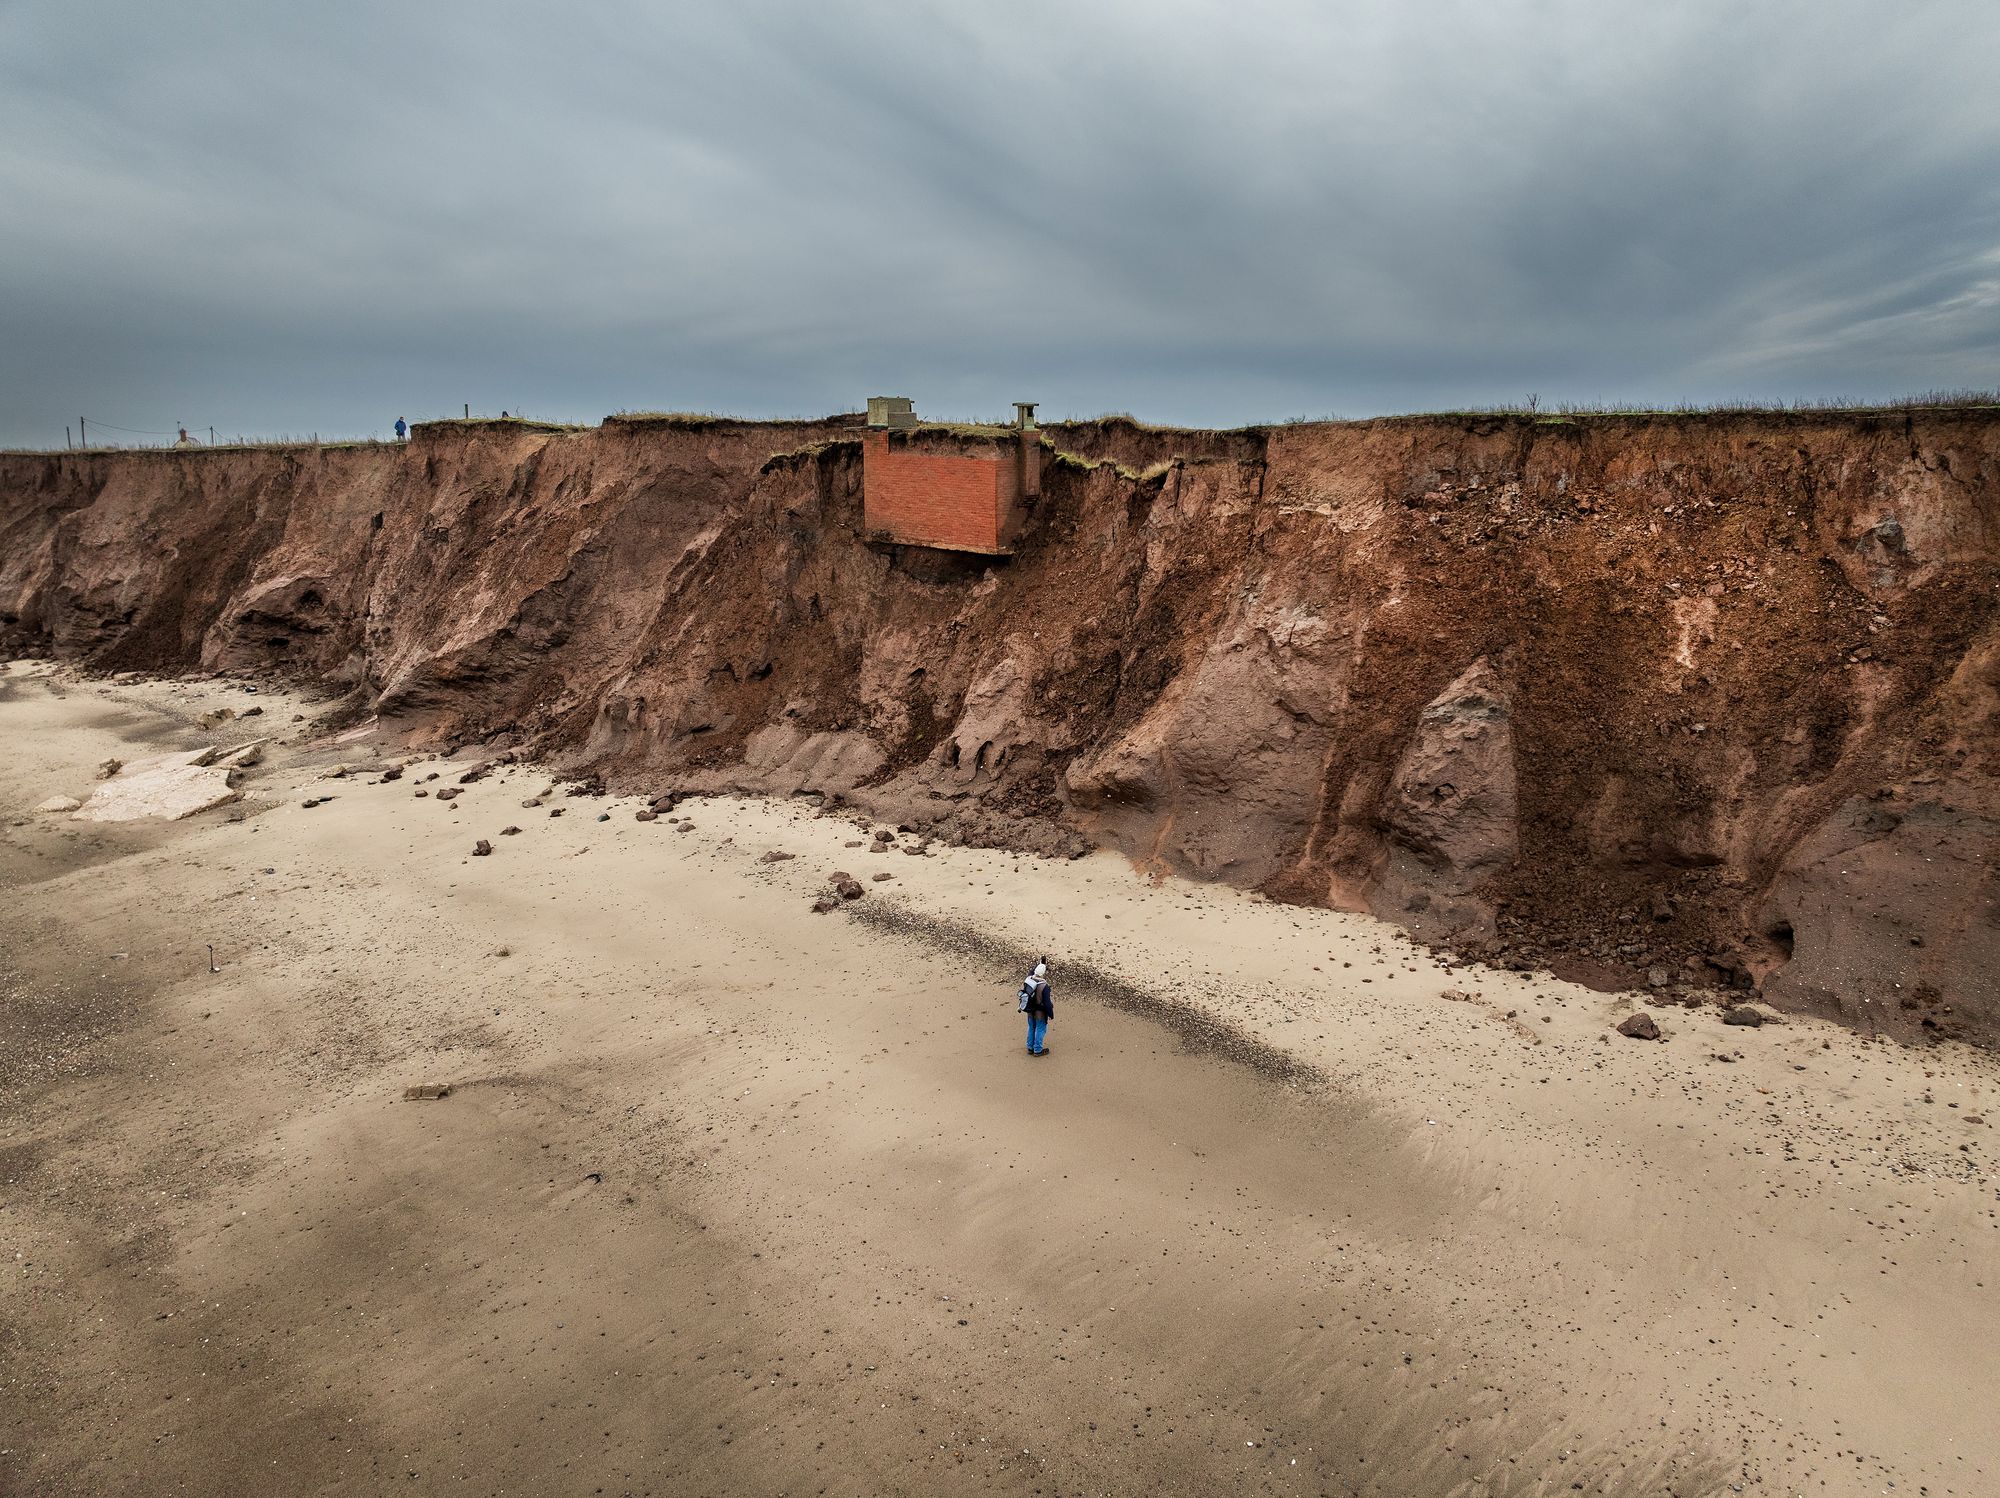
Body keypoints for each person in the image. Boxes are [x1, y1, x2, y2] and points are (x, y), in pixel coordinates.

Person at [1019, 959, 1053, 1056]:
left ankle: (1030, 1047)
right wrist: (1051, 1014)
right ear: (1043, 974)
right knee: (1040, 1028)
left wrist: (1041, 963)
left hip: (1030, 1010)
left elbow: (1031, 971)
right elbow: (1047, 1003)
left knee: (1031, 1027)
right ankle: (1038, 1050)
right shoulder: (1044, 986)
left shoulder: (1029, 979)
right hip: (1040, 1013)